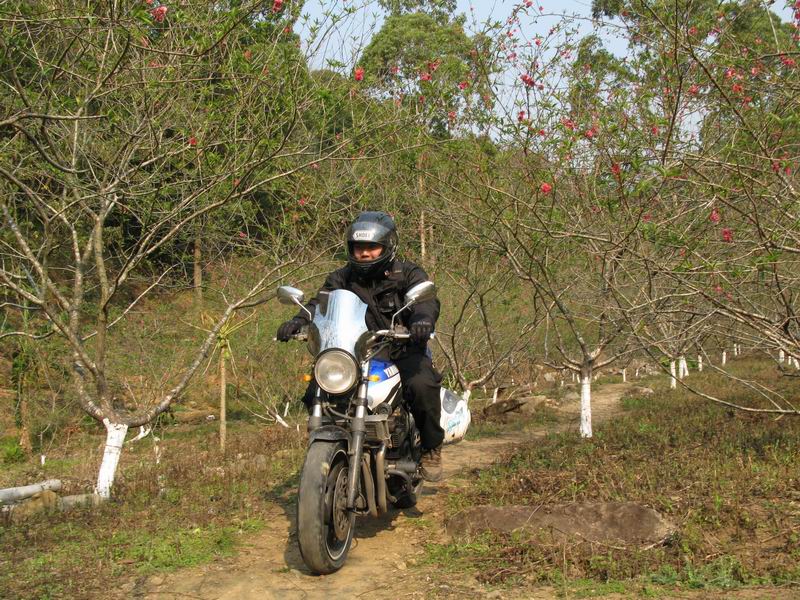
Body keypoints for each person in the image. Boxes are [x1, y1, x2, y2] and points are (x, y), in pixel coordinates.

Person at [276, 211, 444, 481]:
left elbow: (426, 300)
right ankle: (331, 447)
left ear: (388, 247)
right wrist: (298, 321)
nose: (364, 254)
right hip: (356, 353)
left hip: (402, 349)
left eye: (371, 247)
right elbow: (319, 305)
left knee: (422, 386)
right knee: (316, 389)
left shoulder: (408, 273)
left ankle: (431, 448)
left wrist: (422, 320)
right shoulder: (341, 278)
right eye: (358, 248)